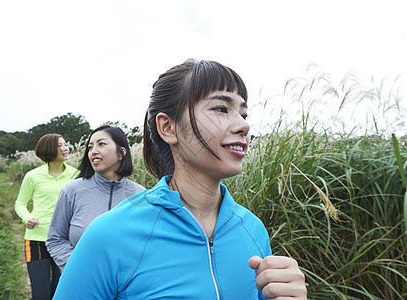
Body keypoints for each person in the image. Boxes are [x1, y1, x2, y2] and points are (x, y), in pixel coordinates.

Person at [53, 59, 307, 299]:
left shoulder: (253, 230)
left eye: (243, 114)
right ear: (168, 127)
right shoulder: (109, 234)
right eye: (221, 108)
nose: (243, 125)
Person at [46, 125, 145, 272]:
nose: (93, 151)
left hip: (126, 287)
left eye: (101, 144)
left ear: (121, 153)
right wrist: (78, 268)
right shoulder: (72, 190)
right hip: (81, 282)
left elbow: (144, 243)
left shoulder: (140, 195)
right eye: (90, 147)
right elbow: (55, 239)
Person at [14, 133, 79, 300]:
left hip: (65, 240)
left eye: (66, 144)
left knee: (60, 293)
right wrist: (26, 217)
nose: (66, 148)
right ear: (49, 149)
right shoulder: (32, 176)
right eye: (61, 145)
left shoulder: (76, 175)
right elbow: (20, 204)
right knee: (41, 295)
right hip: (36, 240)